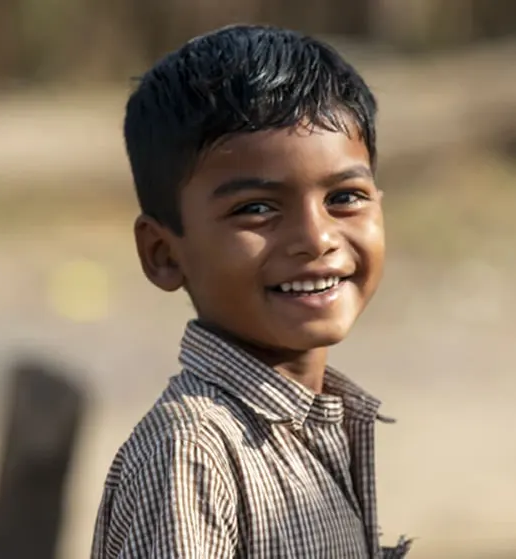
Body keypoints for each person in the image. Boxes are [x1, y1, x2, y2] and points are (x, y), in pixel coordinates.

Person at [91, 24, 412, 558]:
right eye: (257, 208)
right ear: (164, 254)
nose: (316, 239)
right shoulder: (194, 454)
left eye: (345, 197)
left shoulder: (319, 419)